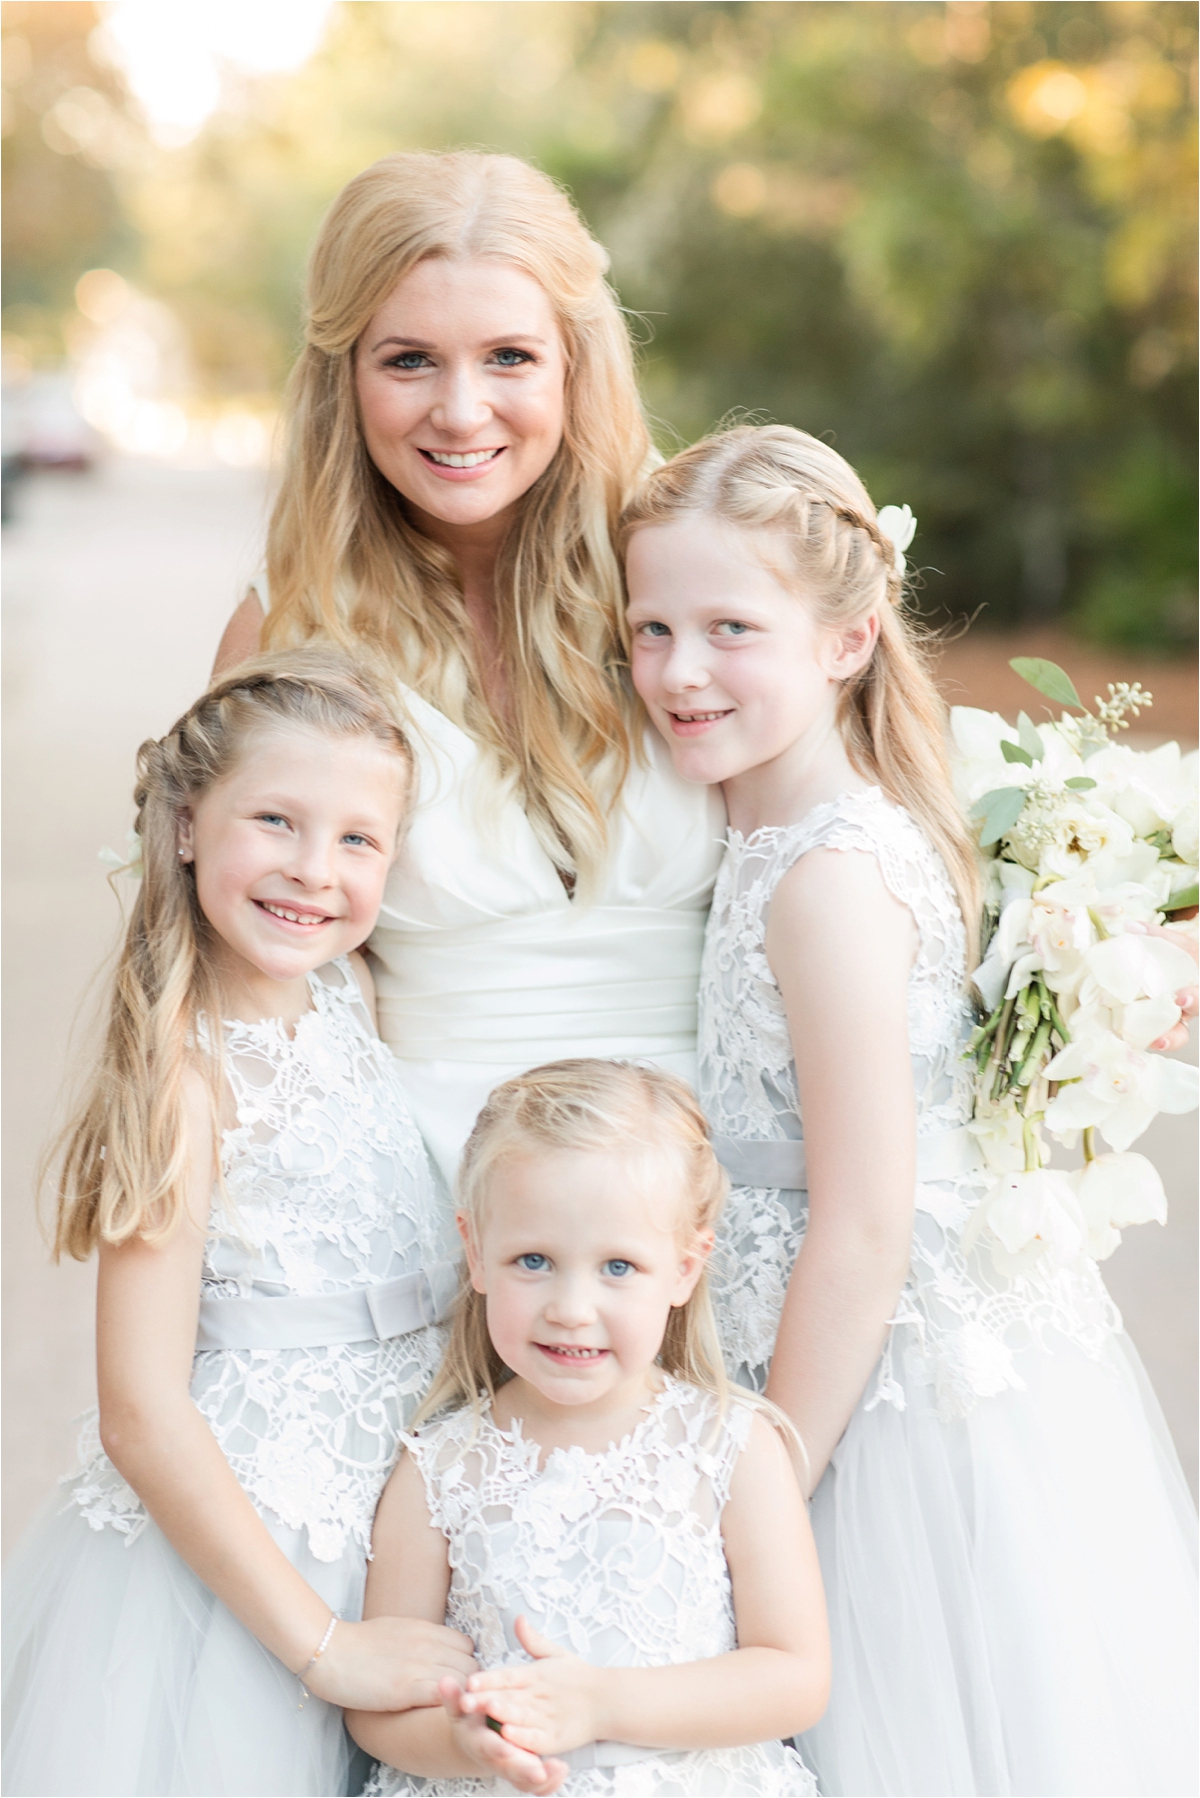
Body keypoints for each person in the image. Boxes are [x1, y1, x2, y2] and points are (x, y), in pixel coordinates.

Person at [623, 424, 1199, 1798]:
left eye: (729, 627)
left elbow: (869, 1212)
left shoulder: (828, 873)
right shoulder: (785, 825)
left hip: (873, 1390)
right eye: (649, 628)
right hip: (812, 1341)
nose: (680, 669)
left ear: (847, 637)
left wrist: (766, 1486)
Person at [2, 651, 477, 1798]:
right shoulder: (185, 1076)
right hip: (256, 1552)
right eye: (276, 820)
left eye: (359, 840)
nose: (315, 872)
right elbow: (142, 1409)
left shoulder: (348, 995)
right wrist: (325, 1644)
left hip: (392, 1514)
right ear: (183, 824)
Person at [214, 150, 724, 1190]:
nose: (459, 410)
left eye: (507, 358)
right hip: (432, 1195)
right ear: (344, 377)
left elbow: (859, 830)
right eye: (408, 360)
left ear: (575, 365)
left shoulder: (691, 569)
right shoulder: (289, 626)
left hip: (727, 1180)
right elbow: (227, 984)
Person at [347, 1058, 828, 1797]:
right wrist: (470, 1741)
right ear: (476, 1252)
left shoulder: (731, 1446)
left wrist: (602, 1704)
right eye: (533, 1260)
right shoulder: (439, 1466)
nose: (572, 1307)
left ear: (685, 1268)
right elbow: (379, 1711)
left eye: (619, 1267)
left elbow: (794, 1676)